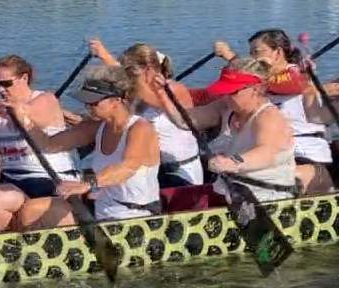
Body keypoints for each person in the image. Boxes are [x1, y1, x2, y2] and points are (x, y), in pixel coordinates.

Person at [7, 66, 162, 229]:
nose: (88, 108)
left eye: (93, 103)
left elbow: (127, 168)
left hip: (137, 217)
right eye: (86, 102)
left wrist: (88, 184)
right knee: (30, 211)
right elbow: (48, 145)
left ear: (116, 100)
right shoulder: (95, 127)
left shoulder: (141, 128)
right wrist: (22, 117)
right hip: (100, 210)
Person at [155, 59, 297, 204]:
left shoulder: (269, 116)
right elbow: (186, 121)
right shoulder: (225, 106)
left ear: (255, 89)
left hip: (268, 197)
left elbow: (267, 153)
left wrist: (232, 163)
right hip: (232, 191)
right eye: (224, 90)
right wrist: (162, 95)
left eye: (232, 92)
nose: (226, 96)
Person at [208, 29, 332, 194]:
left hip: (303, 153)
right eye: (250, 53)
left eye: (257, 52)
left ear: (278, 52)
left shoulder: (295, 74)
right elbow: (245, 81)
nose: (252, 58)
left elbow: (273, 82)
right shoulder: (263, 78)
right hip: (269, 154)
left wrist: (231, 57)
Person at [90, 40, 204, 188]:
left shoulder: (174, 89)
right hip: (152, 172)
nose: (127, 79)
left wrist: (108, 59)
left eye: (130, 74)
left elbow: (152, 99)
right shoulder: (137, 97)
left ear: (149, 69)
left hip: (182, 173)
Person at [0, 54, 81, 229]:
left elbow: (30, 112)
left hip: (49, 180)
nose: (0, 89)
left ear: (24, 78)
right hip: (13, 180)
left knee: (2, 202)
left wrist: (15, 109)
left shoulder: (46, 100)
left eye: (6, 83)